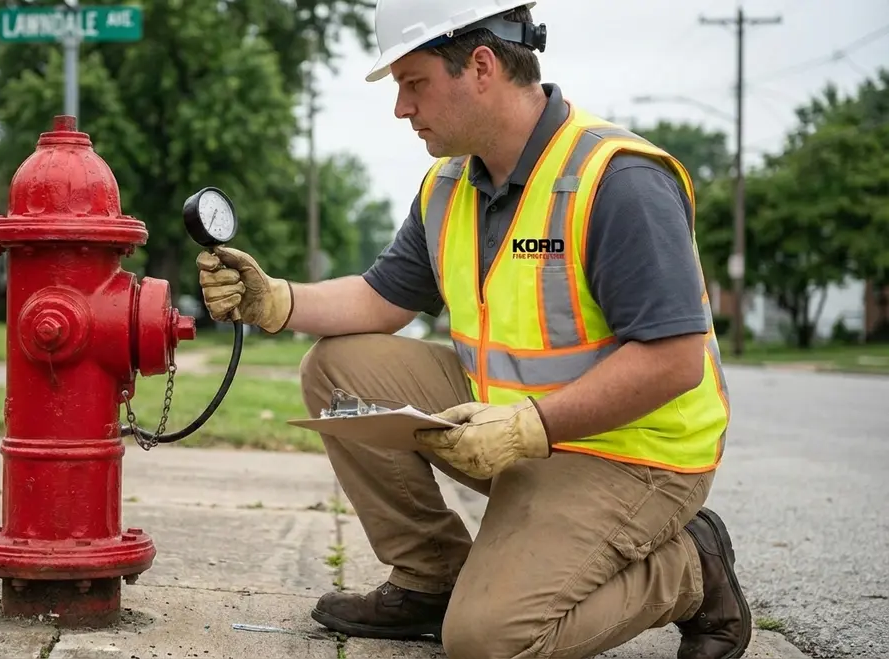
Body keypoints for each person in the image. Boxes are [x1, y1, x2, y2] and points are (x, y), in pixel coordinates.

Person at [194, 0, 751, 657]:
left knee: (488, 640)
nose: (402, 108)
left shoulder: (616, 181)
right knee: (336, 368)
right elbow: (379, 300)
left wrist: (528, 426)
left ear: (481, 66)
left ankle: (691, 567)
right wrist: (274, 302)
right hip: (520, 431)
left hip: (632, 453)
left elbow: (674, 360)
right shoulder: (450, 185)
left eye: (414, 83)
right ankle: (432, 578)